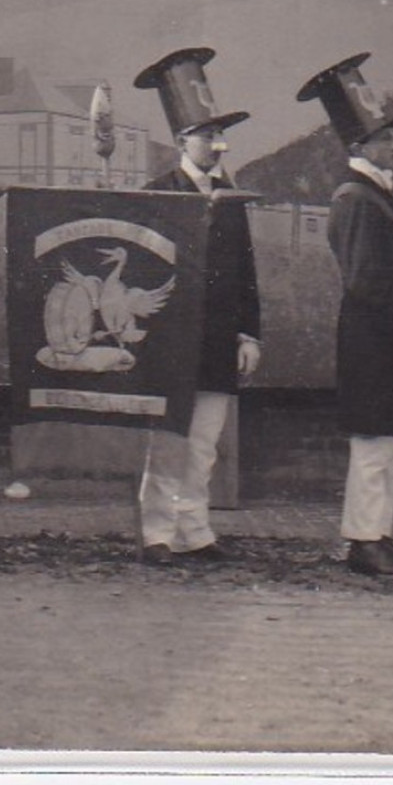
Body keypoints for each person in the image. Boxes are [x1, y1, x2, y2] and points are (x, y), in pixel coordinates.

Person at [299, 54, 393, 577]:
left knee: (385, 447)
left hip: (381, 345)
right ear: (361, 147)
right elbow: (365, 283)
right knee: (375, 451)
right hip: (376, 346)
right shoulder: (357, 199)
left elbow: (381, 270)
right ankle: (364, 541)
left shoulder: (371, 195)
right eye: (385, 140)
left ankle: (376, 535)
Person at [131, 48, 263, 564]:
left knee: (204, 443)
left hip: (217, 339)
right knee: (168, 441)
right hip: (170, 339)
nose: (217, 144)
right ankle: (158, 532)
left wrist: (249, 334)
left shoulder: (230, 197)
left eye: (219, 134)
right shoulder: (158, 194)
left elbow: (245, 270)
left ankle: (194, 530)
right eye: (207, 135)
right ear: (183, 140)